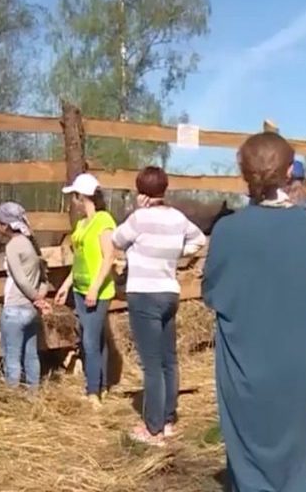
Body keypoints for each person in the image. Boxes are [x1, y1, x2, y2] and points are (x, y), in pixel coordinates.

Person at [204, 132, 306, 490]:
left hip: (244, 365)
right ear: (290, 172)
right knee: (296, 465)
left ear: (244, 173)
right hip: (300, 365)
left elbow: (212, 294)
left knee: (247, 462)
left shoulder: (226, 230)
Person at [111, 167, 206, 446]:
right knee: (169, 360)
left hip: (144, 293)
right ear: (164, 190)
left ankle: (152, 429)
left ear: (141, 192)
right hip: (169, 292)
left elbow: (116, 240)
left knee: (151, 365)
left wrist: (135, 210)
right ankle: (167, 419)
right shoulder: (177, 218)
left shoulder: (139, 218)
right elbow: (199, 240)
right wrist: (176, 252)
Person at [54, 173, 116, 408]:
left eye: (75, 196)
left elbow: (108, 256)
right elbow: (79, 259)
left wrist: (95, 287)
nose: (73, 201)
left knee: (90, 340)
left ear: (83, 196)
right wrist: (67, 284)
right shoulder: (81, 224)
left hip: (98, 291)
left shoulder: (104, 221)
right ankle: (101, 385)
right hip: (80, 287)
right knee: (96, 337)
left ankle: (93, 393)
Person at [0, 202, 50, 391]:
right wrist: (39, 298)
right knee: (31, 354)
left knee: (12, 355)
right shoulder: (32, 244)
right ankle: (33, 393)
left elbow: (20, 278)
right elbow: (43, 278)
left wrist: (36, 299)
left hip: (15, 307)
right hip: (30, 311)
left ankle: (13, 395)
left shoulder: (13, 246)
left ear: (5, 225)